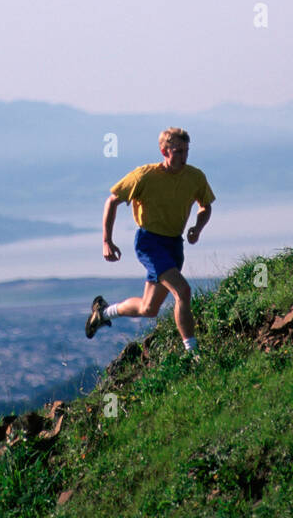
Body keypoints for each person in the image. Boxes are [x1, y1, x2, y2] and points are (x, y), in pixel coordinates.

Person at [85, 127, 215, 355]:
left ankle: (103, 313)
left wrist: (197, 227)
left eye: (186, 151)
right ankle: (193, 353)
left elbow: (206, 205)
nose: (183, 157)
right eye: (177, 151)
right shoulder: (144, 176)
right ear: (164, 151)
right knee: (182, 291)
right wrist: (107, 240)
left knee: (149, 308)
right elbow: (112, 201)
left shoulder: (195, 177)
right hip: (150, 243)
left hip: (174, 244)